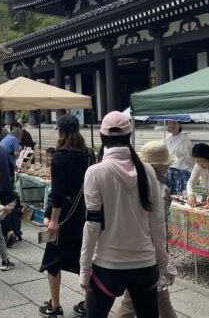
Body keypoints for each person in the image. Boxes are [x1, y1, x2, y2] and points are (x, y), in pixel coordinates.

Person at [80, 111, 171, 318]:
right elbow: (157, 223)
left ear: (102, 137)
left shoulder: (95, 172)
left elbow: (92, 225)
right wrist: (163, 265)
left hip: (107, 265)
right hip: (145, 264)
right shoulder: (148, 170)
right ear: (129, 136)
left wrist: (84, 269)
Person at [115, 141, 178, 318]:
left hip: (134, 245)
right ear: (158, 166)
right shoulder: (160, 188)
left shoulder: (133, 181)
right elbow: (158, 225)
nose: (167, 167)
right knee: (132, 303)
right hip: (149, 252)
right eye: (165, 164)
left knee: (159, 299)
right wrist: (163, 261)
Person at [39, 115, 90, 317]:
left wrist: (53, 219)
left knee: (53, 259)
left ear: (61, 131)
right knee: (85, 258)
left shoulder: (60, 156)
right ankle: (87, 305)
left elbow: (58, 193)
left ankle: (55, 305)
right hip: (84, 214)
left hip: (64, 216)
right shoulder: (88, 154)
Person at [165, 120, 193, 194]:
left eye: (174, 123)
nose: (172, 125)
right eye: (169, 123)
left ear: (179, 125)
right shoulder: (167, 138)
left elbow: (189, 157)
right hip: (169, 171)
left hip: (181, 172)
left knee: (180, 196)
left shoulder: (185, 139)